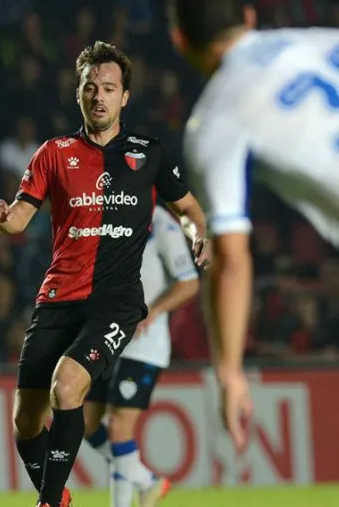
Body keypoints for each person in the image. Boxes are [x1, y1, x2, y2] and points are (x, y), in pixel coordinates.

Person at [0, 41, 209, 507]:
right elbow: (22, 218)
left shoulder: (149, 154)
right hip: (58, 297)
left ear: (125, 96)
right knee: (25, 421)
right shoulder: (53, 153)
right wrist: (6, 218)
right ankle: (60, 497)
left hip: (116, 301)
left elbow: (187, 208)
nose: (99, 96)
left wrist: (196, 232)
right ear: (78, 93)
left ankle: (48, 503)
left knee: (67, 387)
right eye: (91, 87)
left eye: (109, 88)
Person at [168, 0, 339, 450]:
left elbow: (230, 259)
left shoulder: (216, 119)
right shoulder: (323, 39)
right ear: (248, 16)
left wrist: (228, 372)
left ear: (180, 41)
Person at [83, 203, 200, 507]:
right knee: (84, 422)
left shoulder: (159, 221)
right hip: (106, 336)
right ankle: (146, 480)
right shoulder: (96, 214)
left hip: (144, 341)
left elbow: (189, 281)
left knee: (120, 426)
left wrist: (153, 311)